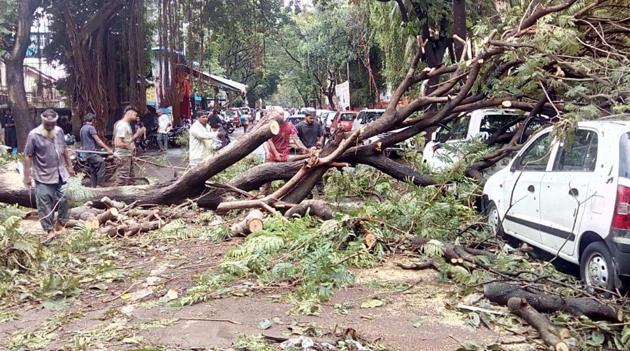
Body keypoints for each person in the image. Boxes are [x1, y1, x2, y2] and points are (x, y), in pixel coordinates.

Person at [23, 109, 75, 243]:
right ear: (43, 121)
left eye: (53, 123)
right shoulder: (33, 135)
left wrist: (69, 166)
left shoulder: (59, 131)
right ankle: (49, 230)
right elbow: (28, 155)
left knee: (67, 197)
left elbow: (64, 149)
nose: (51, 126)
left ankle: (61, 223)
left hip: (60, 173)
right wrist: (27, 176)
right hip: (43, 175)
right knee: (44, 203)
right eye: (48, 124)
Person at [112, 106, 145, 185]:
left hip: (127, 156)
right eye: (135, 114)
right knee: (122, 181)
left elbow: (127, 140)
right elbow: (117, 143)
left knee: (131, 180)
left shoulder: (125, 124)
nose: (136, 117)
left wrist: (136, 135)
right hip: (123, 157)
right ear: (129, 113)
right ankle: (116, 196)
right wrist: (129, 146)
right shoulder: (123, 125)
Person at [79, 113, 113, 187]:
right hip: (92, 152)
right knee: (101, 163)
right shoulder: (91, 128)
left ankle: (93, 187)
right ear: (93, 120)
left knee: (93, 170)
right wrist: (108, 149)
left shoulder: (82, 128)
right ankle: (100, 185)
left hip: (86, 153)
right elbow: (98, 140)